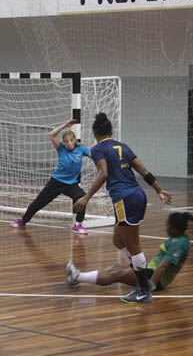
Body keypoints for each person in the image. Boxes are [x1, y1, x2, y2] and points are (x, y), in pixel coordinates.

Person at [73, 112, 173, 304]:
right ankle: (141, 279)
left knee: (133, 245)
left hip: (124, 199)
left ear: (95, 133)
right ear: (110, 131)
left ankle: (144, 289)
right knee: (118, 241)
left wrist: (86, 198)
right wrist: (159, 190)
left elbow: (103, 174)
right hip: (137, 196)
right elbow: (143, 171)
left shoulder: (98, 149)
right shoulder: (123, 147)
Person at [66, 212, 193, 291]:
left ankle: (77, 277)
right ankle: (78, 276)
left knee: (117, 274)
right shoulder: (178, 239)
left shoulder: (179, 244)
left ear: (174, 228)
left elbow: (163, 266)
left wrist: (149, 286)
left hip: (154, 278)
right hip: (149, 271)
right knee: (116, 267)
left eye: (167, 225)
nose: (166, 227)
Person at [10, 119, 91, 234]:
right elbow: (52, 135)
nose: (69, 143)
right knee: (38, 202)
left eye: (71, 141)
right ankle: (23, 220)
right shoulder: (61, 148)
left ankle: (78, 225)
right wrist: (65, 125)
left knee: (82, 198)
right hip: (56, 182)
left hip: (71, 184)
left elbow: (94, 155)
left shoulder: (81, 149)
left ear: (74, 141)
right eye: (66, 141)